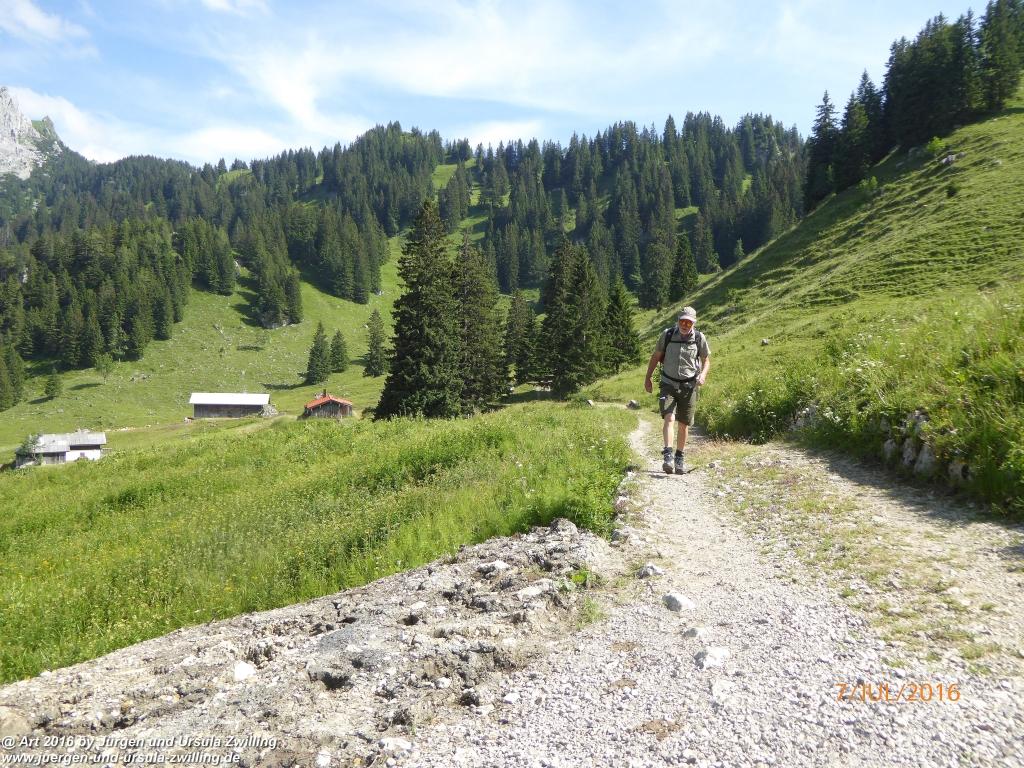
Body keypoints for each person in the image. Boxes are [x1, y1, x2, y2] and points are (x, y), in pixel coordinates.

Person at [643, 306, 711, 474]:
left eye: (689, 322)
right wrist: (648, 377)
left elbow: (706, 360)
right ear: (678, 320)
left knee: (684, 424)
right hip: (668, 383)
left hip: (689, 386)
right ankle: (668, 454)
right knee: (669, 418)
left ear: (693, 323)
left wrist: (702, 375)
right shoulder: (667, 335)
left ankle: (679, 457)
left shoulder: (699, 338)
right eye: (682, 321)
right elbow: (656, 356)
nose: (685, 324)